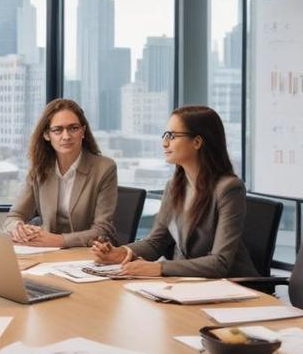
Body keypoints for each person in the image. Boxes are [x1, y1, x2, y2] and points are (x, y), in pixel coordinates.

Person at [90, 105, 257, 278]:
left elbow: (220, 262)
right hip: (190, 285)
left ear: (197, 142)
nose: (164, 142)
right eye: (165, 135)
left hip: (233, 286)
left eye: (172, 136)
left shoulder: (229, 189)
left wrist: (160, 268)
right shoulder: (174, 186)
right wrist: (121, 252)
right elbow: (156, 242)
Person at [4, 99, 118, 248]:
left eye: (73, 128)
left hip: (88, 254)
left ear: (83, 131)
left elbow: (102, 231)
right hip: (47, 254)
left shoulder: (104, 168)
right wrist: (17, 228)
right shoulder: (40, 168)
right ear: (46, 135)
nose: (66, 136)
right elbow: (14, 215)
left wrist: (59, 240)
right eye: (57, 130)